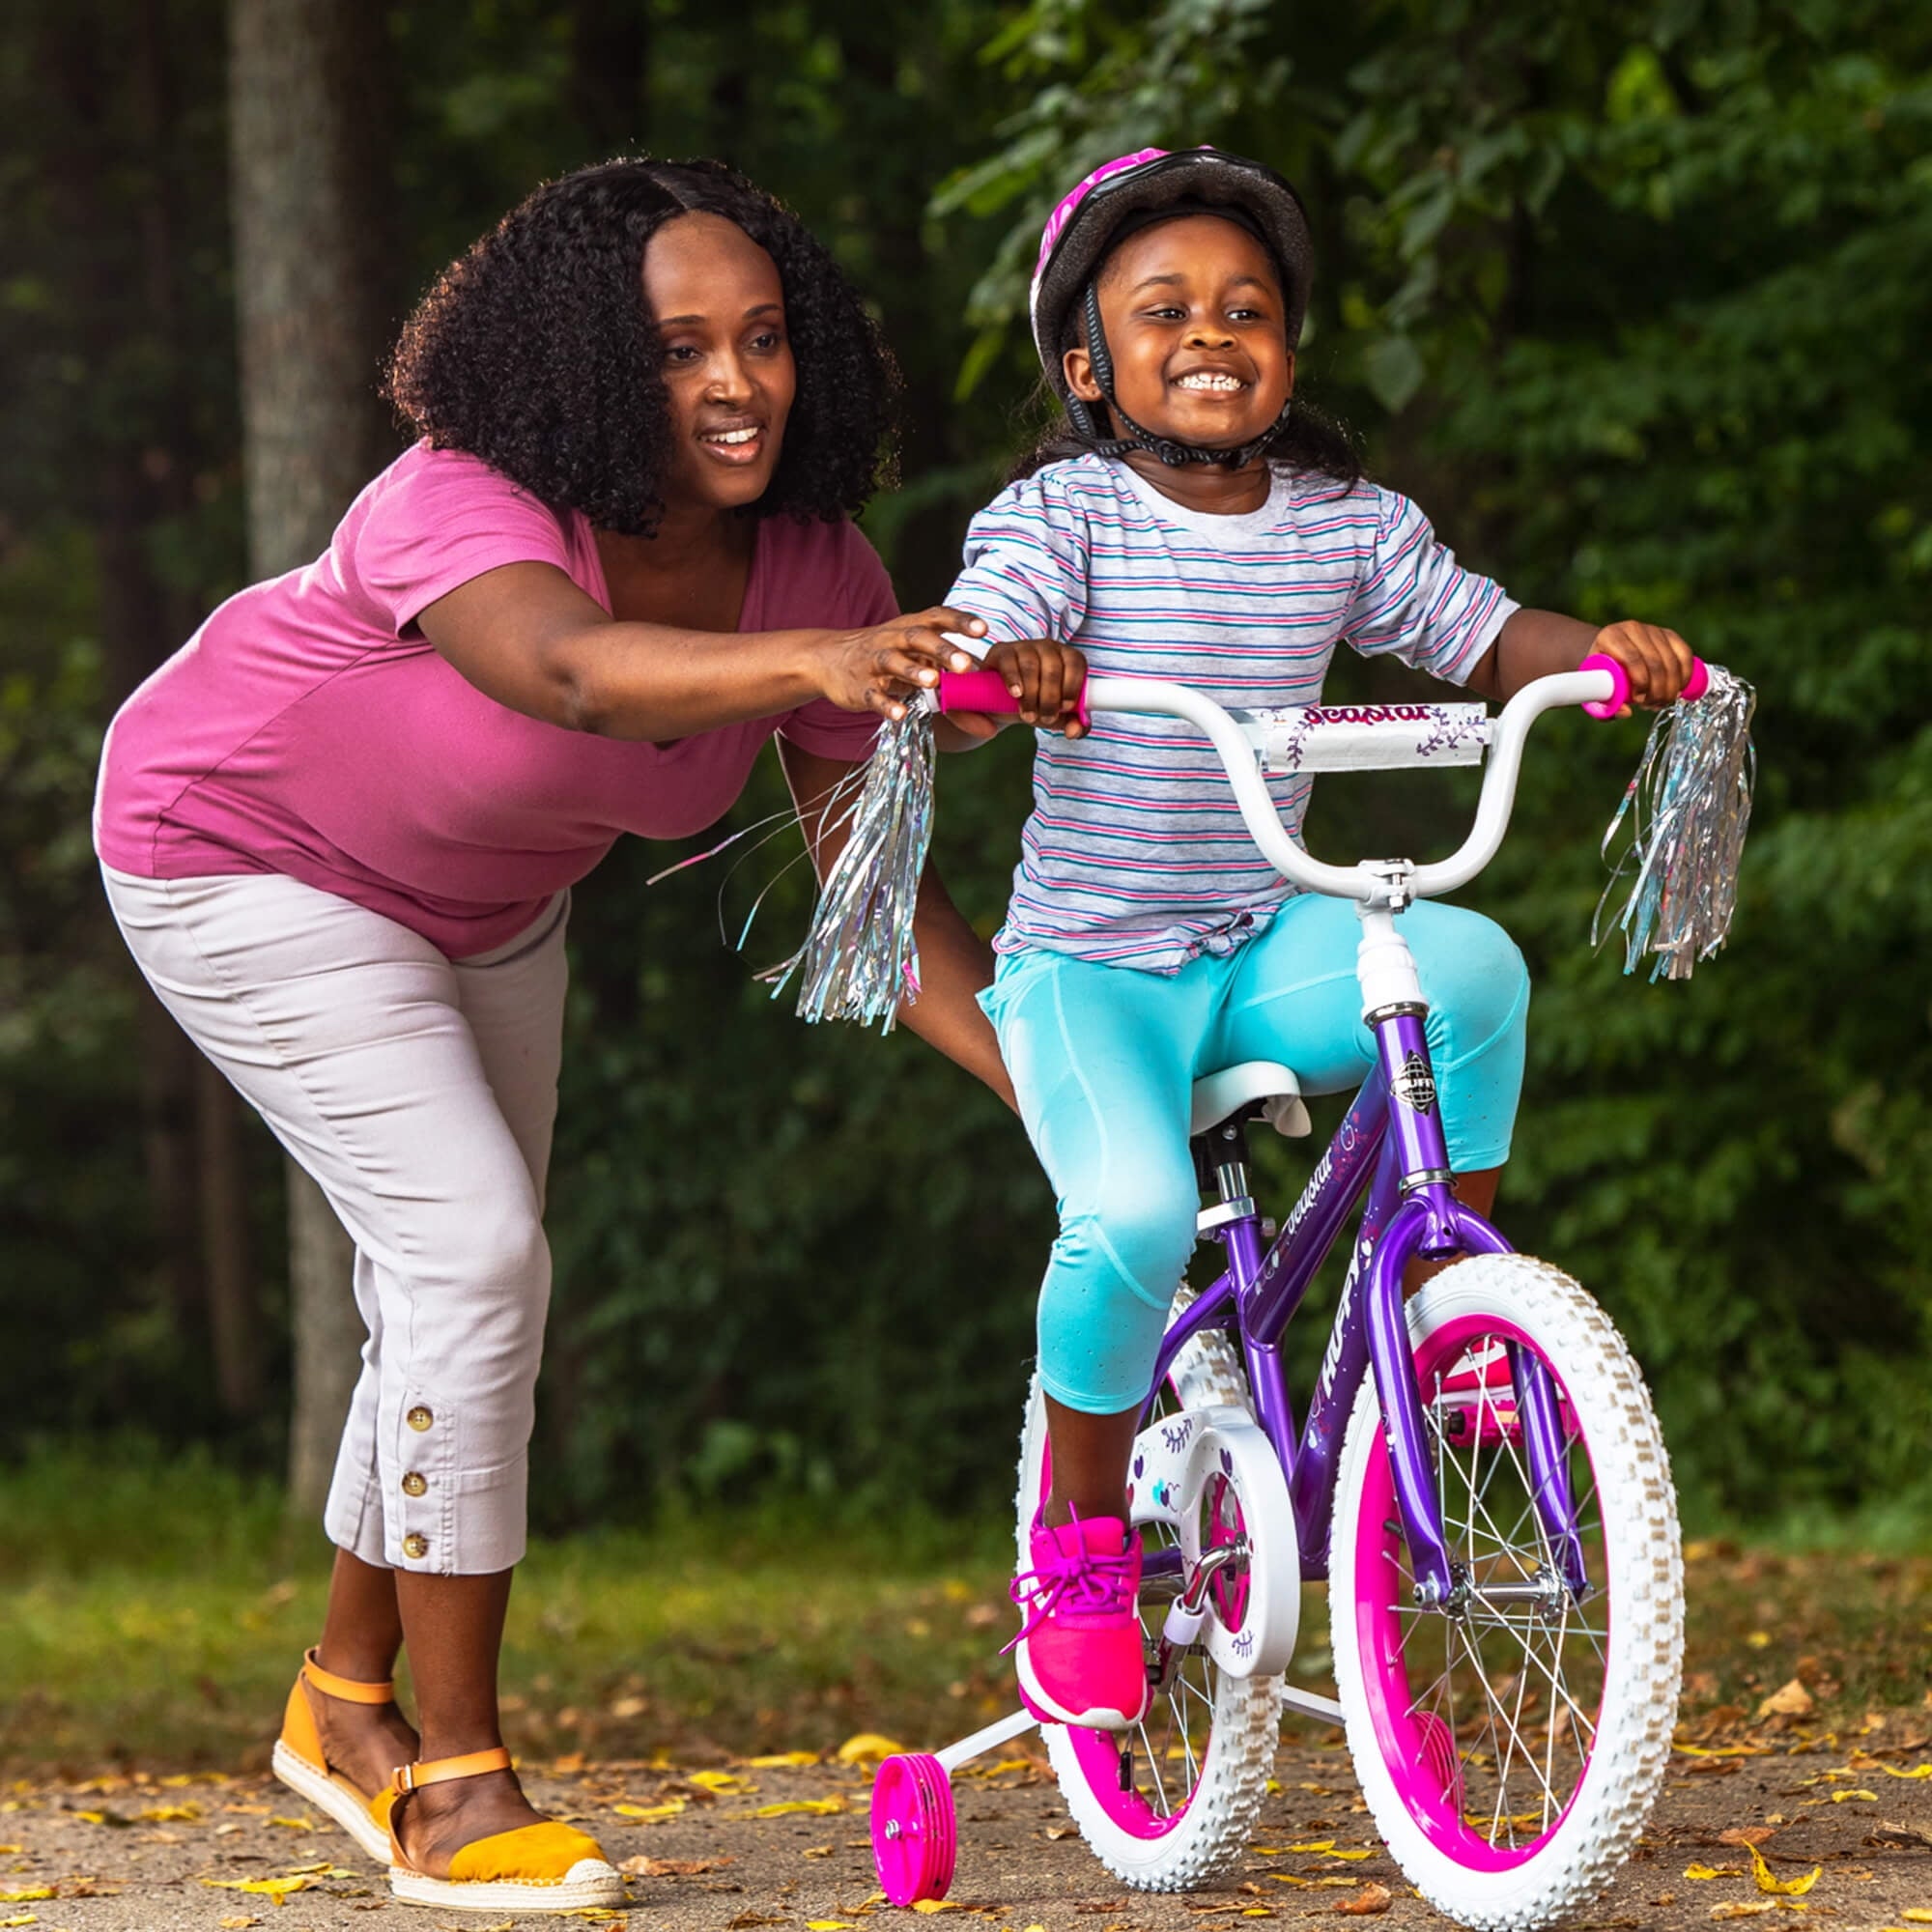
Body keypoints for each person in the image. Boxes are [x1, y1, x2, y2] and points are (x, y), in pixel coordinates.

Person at [93, 157, 1000, 1915]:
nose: (735, 384)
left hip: (486, 907)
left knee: (447, 1283)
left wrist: (1051, 1090)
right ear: (588, 361)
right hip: (234, 850)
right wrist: (823, 663)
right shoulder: (465, 498)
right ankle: (455, 1783)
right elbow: (579, 672)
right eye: (678, 350)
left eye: (764, 340)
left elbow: (873, 909)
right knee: (474, 1254)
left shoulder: (812, 561)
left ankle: (344, 1705)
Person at [940, 147, 1697, 1732]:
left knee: (1473, 968)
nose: (1212, 331)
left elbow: (1482, 634)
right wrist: (1016, 661)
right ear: (1091, 366)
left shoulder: (1345, 523)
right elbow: (994, 616)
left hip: (1259, 922)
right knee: (1136, 1220)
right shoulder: (1063, 513)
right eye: (1165, 311)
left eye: (1248, 307)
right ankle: (1077, 1549)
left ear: (1288, 352)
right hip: (1098, 966)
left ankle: (1441, 1322)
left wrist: (1602, 657)